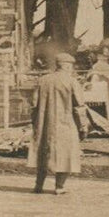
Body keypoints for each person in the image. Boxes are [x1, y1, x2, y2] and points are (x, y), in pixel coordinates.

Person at [29, 52, 87, 195]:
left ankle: (38, 185)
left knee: (43, 153)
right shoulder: (72, 81)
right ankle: (59, 187)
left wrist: (35, 123)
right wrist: (83, 126)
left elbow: (33, 105)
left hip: (44, 124)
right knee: (65, 153)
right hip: (65, 123)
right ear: (67, 66)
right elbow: (79, 106)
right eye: (71, 66)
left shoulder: (42, 80)